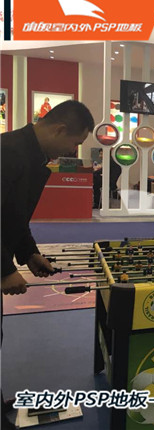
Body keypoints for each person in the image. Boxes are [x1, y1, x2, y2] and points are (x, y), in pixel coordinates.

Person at [1, 100, 94, 430]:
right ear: (59, 129)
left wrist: (29, 253)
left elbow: (13, 215)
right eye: (74, 143)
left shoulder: (31, 156)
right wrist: (4, 270)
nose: (72, 151)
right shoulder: (8, 152)